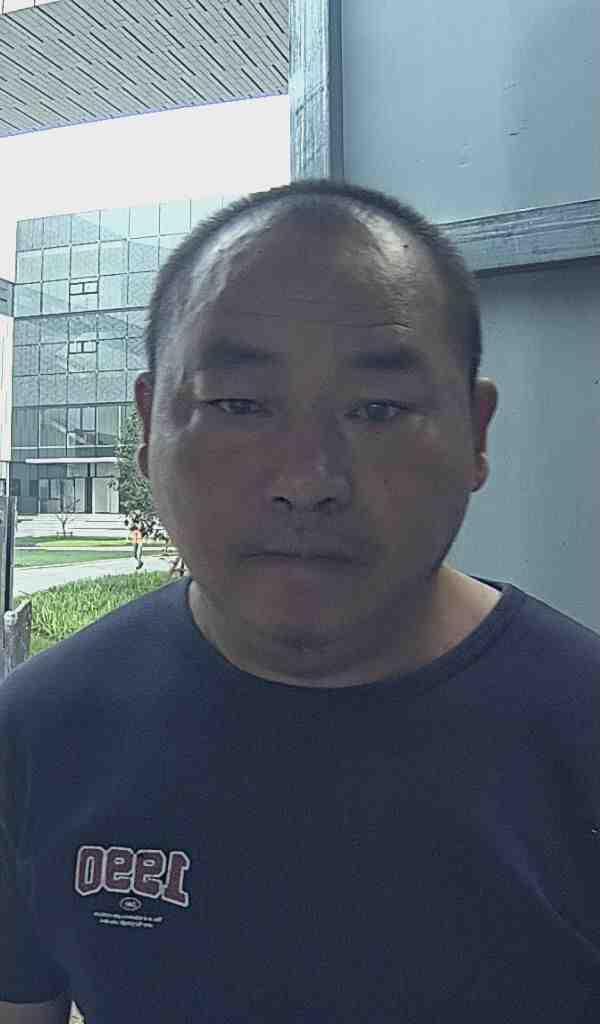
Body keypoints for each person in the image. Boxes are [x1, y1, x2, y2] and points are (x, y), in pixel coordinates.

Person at [1, 179, 599, 1024]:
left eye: (379, 409)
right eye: (238, 405)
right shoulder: (37, 734)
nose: (307, 479)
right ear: (147, 426)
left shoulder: (581, 735)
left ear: (476, 432)